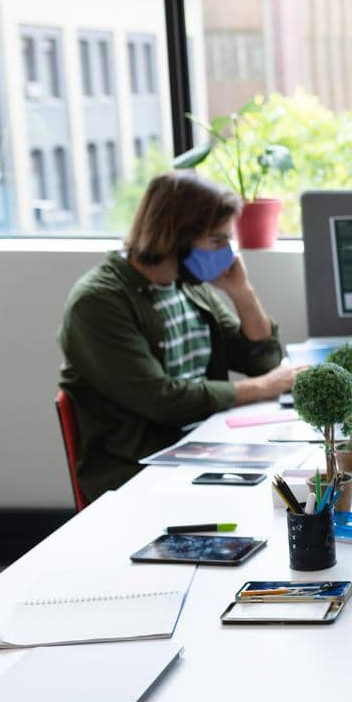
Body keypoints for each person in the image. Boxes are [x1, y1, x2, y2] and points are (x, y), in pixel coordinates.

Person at [59, 171, 297, 500]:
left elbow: (263, 361)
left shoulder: (186, 286)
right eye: (217, 241)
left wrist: (242, 293)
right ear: (175, 237)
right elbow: (163, 400)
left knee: (297, 477)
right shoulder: (99, 302)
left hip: (200, 447)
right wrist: (263, 388)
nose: (228, 253)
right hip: (139, 472)